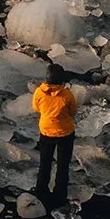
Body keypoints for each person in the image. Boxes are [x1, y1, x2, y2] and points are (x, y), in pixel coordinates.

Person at [31, 63, 76, 209]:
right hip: (65, 133)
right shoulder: (67, 94)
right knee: (63, 165)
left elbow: (36, 108)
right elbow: (73, 111)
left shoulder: (39, 92)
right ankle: (60, 195)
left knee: (45, 163)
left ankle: (41, 192)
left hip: (46, 132)